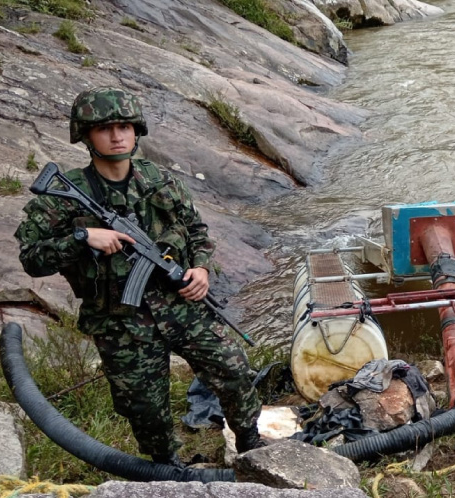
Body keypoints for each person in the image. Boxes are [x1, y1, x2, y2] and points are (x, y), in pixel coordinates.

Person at [15, 87, 266, 467]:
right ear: (85, 135)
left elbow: (195, 229)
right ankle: (168, 468)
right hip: (120, 322)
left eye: (125, 127)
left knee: (233, 368)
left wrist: (199, 268)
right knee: (146, 407)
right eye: (105, 129)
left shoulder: (159, 180)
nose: (117, 136)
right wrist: (83, 238)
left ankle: (250, 444)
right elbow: (32, 259)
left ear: (137, 131)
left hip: (180, 304)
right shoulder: (63, 196)